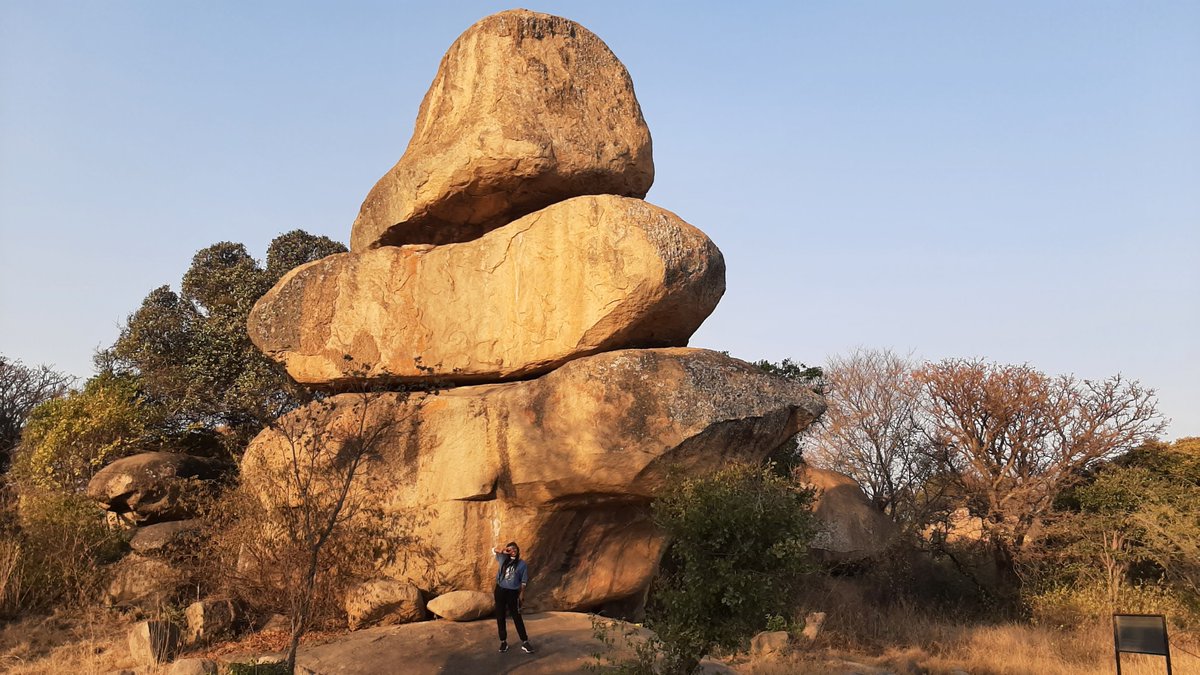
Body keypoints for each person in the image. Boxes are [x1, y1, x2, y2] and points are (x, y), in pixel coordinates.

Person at [492, 541, 534, 654]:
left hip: (513, 592)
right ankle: (503, 642)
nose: (513, 551)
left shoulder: (522, 564)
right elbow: (493, 550)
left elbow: (524, 581)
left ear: (518, 550)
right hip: (500, 590)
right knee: (500, 616)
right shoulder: (502, 558)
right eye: (510, 549)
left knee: (517, 616)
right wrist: (502, 551)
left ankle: (525, 641)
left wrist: (521, 594)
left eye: (515, 549)